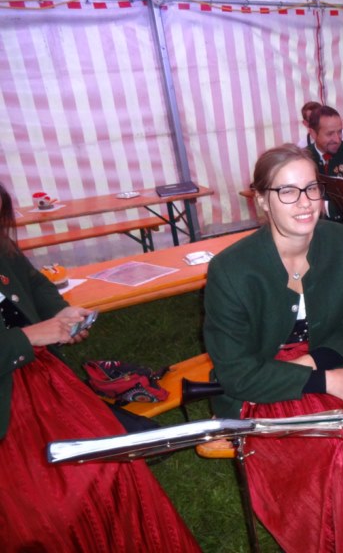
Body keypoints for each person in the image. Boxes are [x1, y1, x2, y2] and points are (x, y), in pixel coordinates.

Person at [203, 145, 343, 552]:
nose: (304, 202)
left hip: (326, 366)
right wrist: (321, 380)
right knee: (342, 450)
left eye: (311, 188)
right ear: (262, 200)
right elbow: (238, 375)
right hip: (260, 391)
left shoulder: (341, 241)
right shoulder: (231, 270)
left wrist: (313, 363)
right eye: (287, 191)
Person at [0, 182, 200, 551]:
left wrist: (60, 314)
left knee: (115, 463)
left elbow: (33, 281)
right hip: (11, 406)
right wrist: (28, 337)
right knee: (48, 506)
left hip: (41, 382)